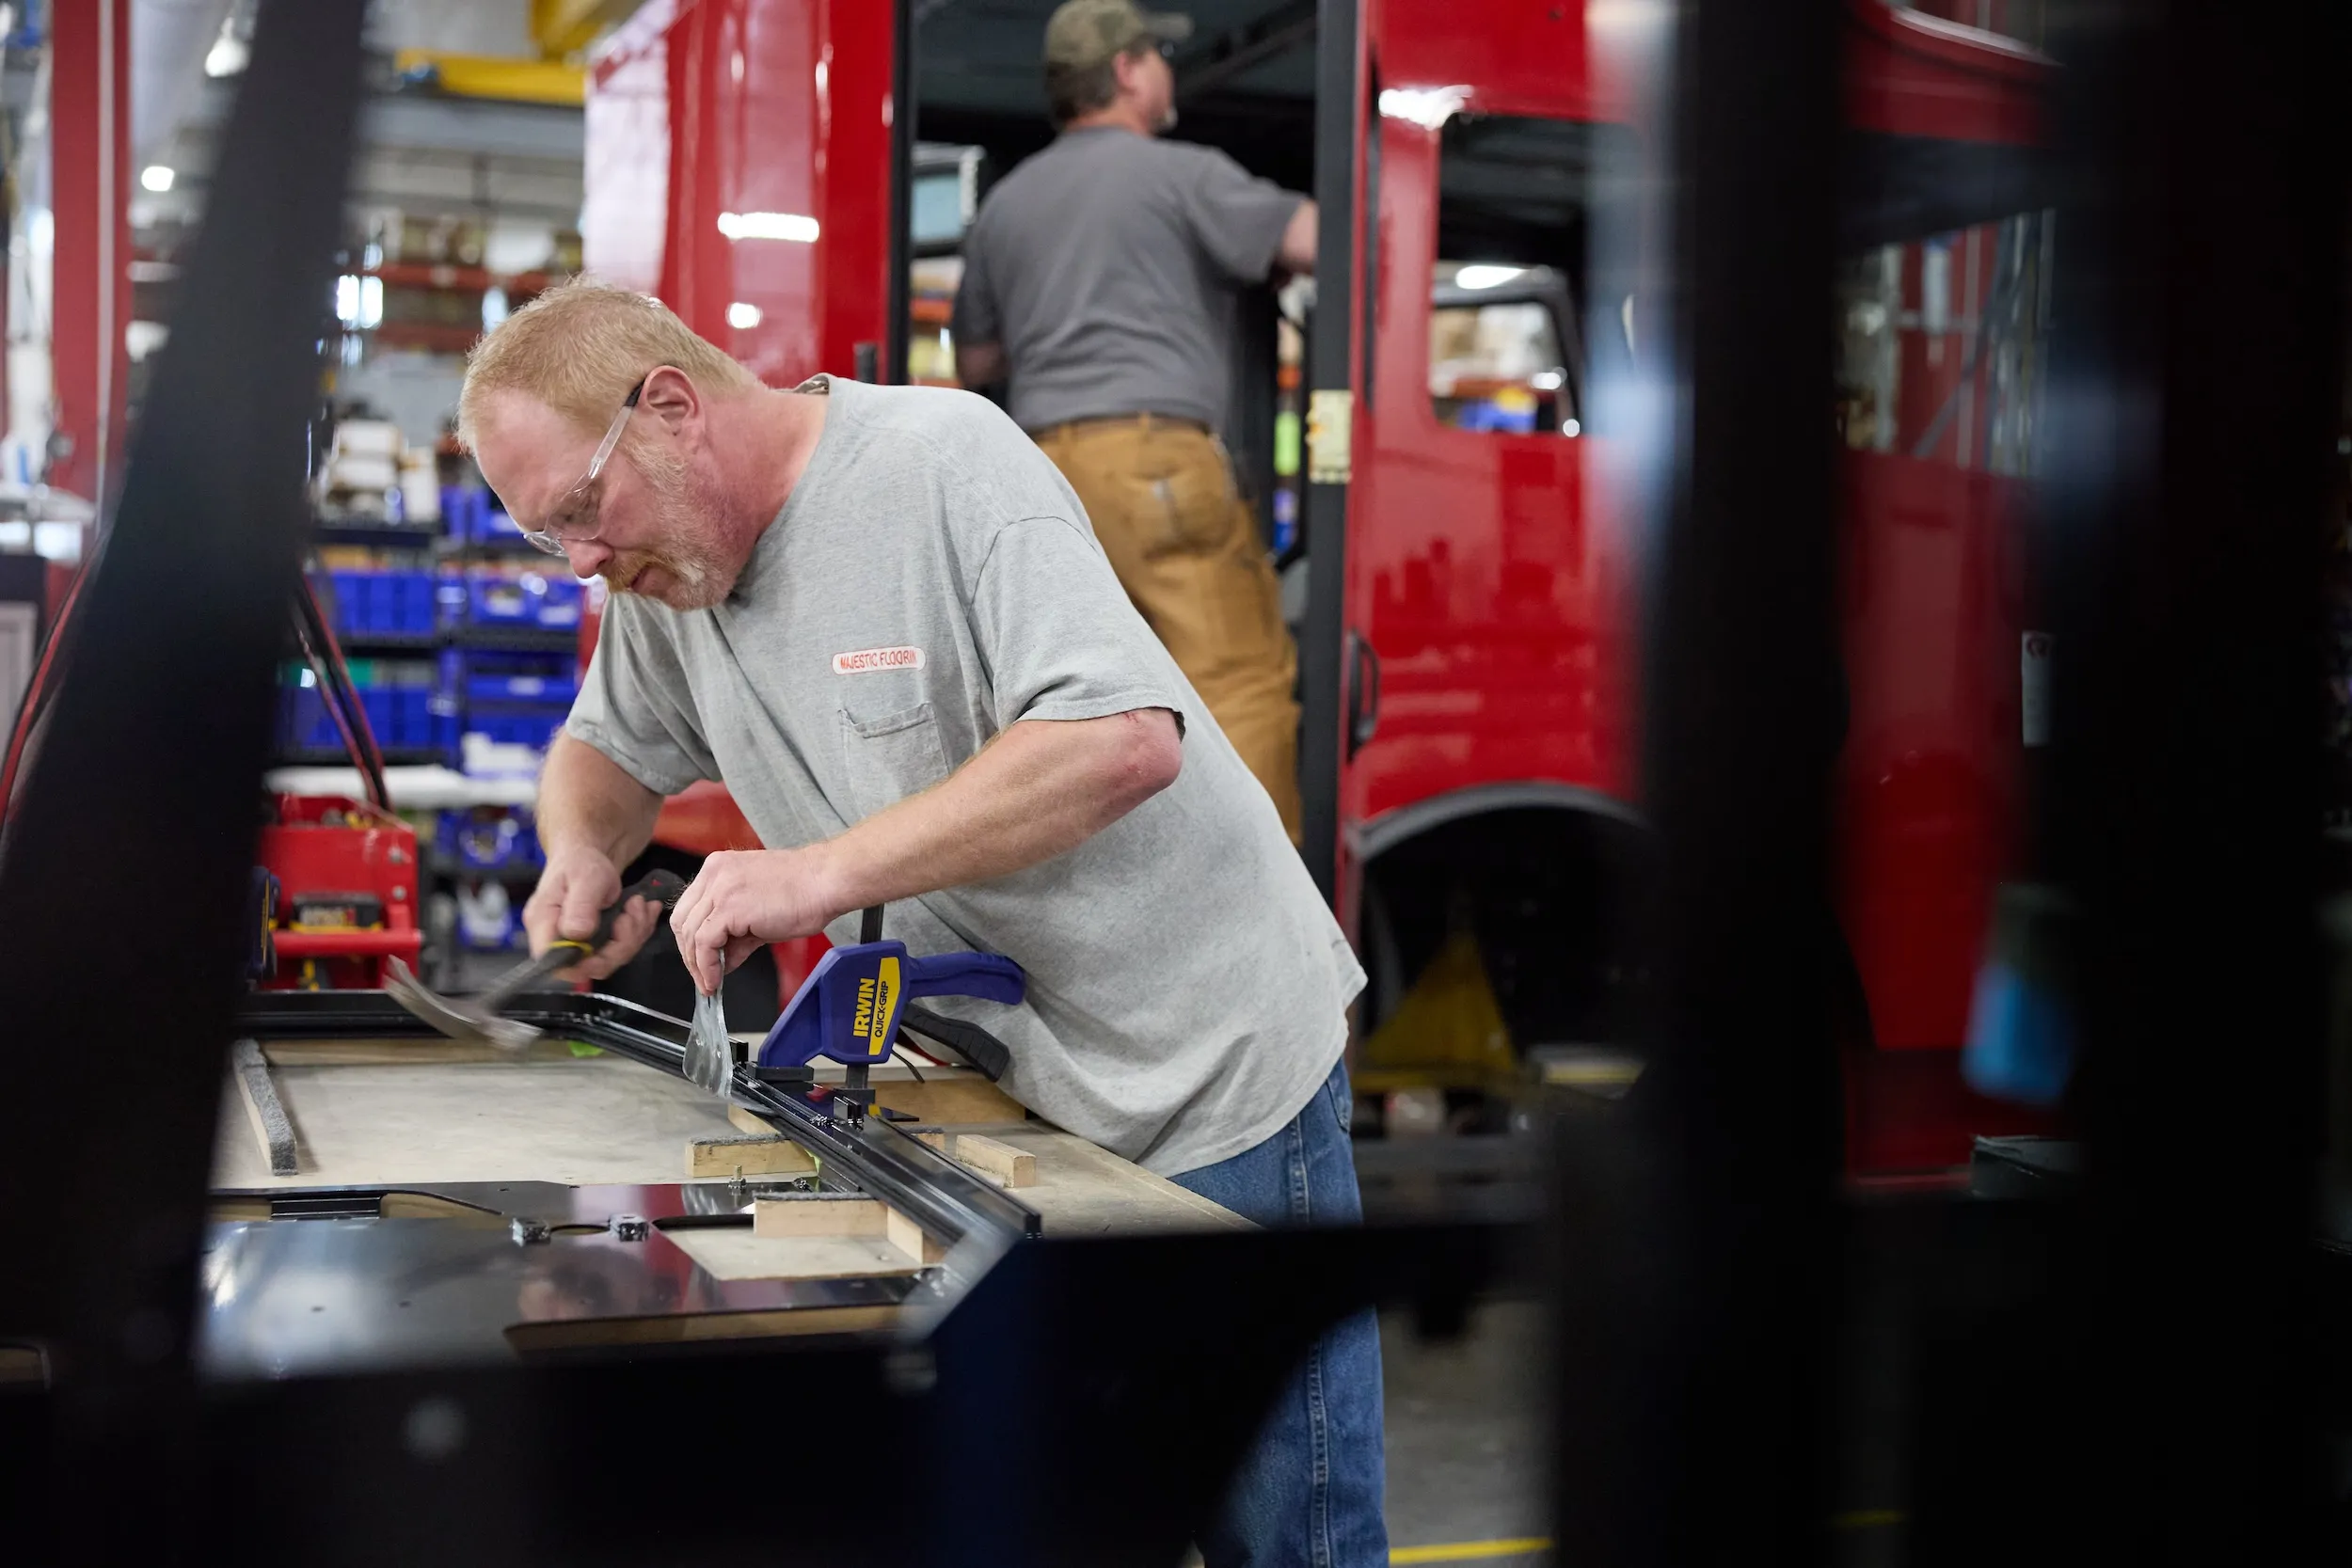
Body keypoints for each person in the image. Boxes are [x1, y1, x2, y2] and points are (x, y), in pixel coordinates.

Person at [459, 278, 1387, 1568]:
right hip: (1006, 1106)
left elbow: (1120, 742)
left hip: (1198, 1071)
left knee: (1284, 1528)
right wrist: (578, 851)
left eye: (578, 509)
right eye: (542, 534)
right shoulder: (671, 571)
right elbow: (604, 756)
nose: (579, 559)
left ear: (668, 406)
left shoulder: (940, 464)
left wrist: (820, 871)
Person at [952, 0, 1316, 842]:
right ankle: (1259, 918)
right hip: (1157, 461)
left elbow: (977, 365)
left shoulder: (1006, 205)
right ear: (1124, 71)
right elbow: (1319, 239)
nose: (1166, 70)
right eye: (1156, 54)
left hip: (1041, 479)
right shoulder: (1181, 174)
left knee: (1093, 705)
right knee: (1241, 679)